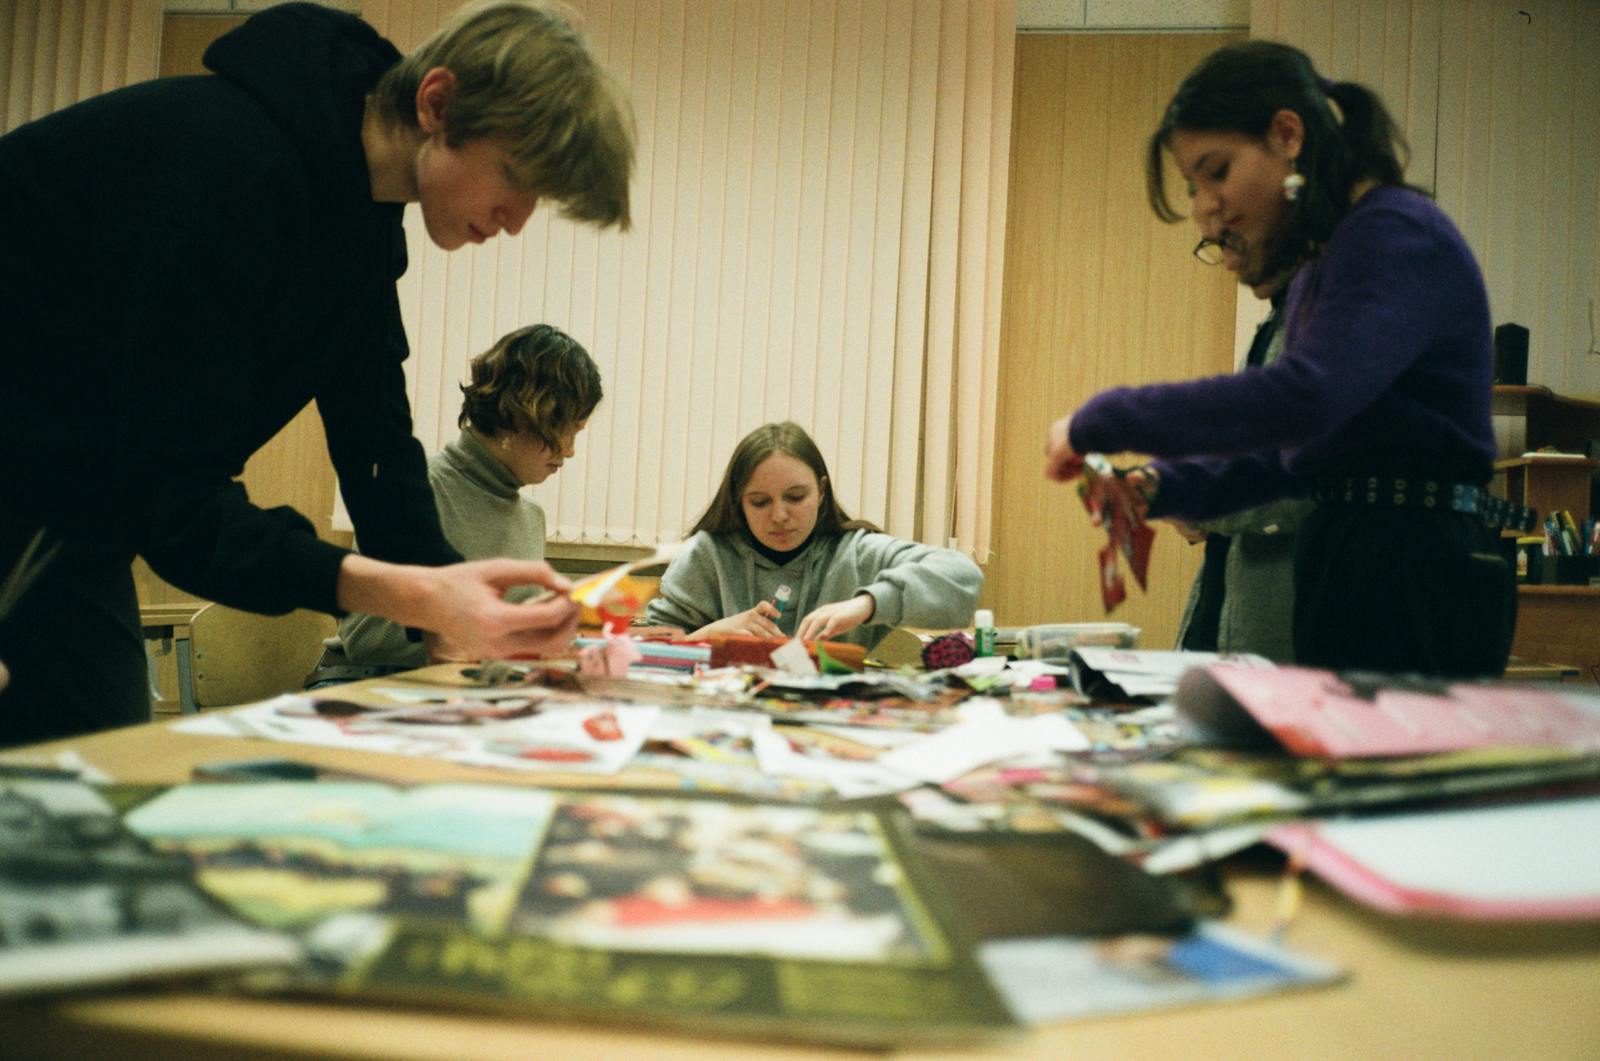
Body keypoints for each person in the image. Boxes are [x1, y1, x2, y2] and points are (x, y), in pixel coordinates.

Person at [0, 2, 634, 746]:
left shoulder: (359, 222)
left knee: (94, 779)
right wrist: (406, 590)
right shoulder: (232, 167)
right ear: (437, 103)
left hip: (67, 510)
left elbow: (378, 442)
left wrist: (444, 594)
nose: (519, 219)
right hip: (37, 485)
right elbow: (175, 504)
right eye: (516, 177)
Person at [1043, 40, 1527, 678]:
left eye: (1216, 171)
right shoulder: (1331, 259)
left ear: (1287, 134)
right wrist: (1167, 484)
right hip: (1357, 558)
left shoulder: (1393, 231)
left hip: (1415, 569)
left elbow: (1304, 398)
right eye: (1193, 186)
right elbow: (1299, 463)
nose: (1203, 207)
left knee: (1380, 774)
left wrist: (1103, 417)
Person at [309, 324, 600, 685]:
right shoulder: (417, 490)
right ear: (516, 413)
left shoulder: (530, 516)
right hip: (370, 682)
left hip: (463, 685)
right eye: (566, 429)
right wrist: (501, 633)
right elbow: (365, 638)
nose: (570, 450)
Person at [645, 422, 984, 648]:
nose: (779, 515)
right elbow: (646, 652)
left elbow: (963, 577)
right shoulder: (706, 555)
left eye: (796, 497)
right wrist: (711, 636)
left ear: (821, 492)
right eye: (760, 502)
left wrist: (869, 603)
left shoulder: (856, 552)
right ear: (738, 502)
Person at [1172, 260, 1310, 662]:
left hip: (1279, 621)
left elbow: (1305, 478)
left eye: (1232, 236)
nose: (1230, 261)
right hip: (1226, 597)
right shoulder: (1278, 322)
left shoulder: (1328, 327)